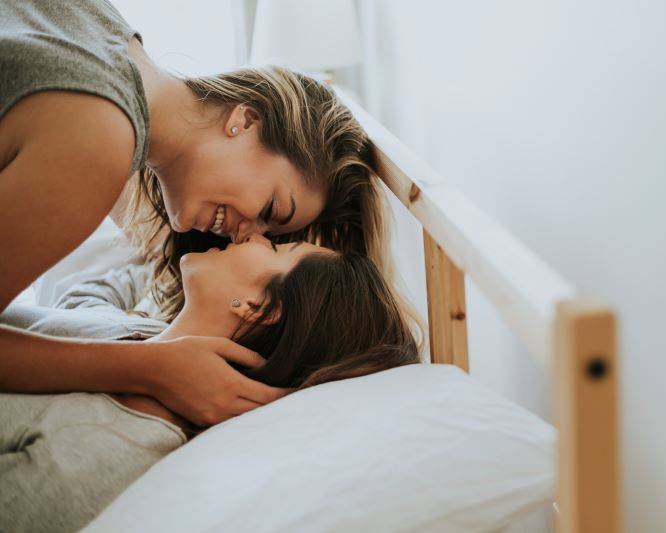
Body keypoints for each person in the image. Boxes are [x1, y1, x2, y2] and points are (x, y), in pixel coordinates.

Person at [0, 0, 391, 425]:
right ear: (246, 120)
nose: (247, 236)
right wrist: (152, 367)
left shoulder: (115, 48)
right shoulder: (98, 140)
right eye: (270, 209)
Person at [0, 234, 420, 533]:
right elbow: (80, 303)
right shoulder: (138, 328)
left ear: (260, 308)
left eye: (276, 247)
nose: (254, 235)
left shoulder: (101, 453)